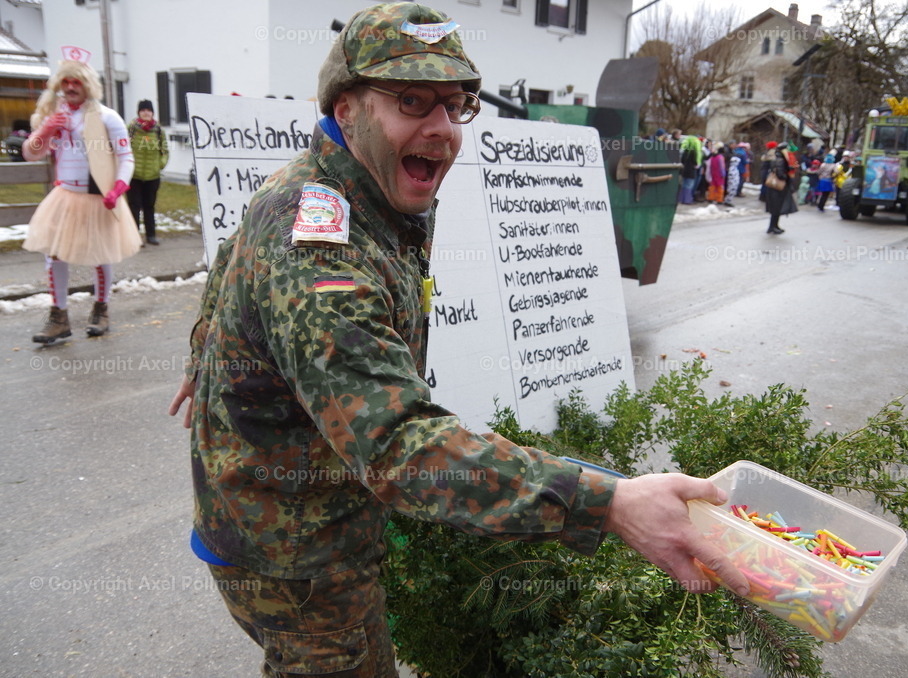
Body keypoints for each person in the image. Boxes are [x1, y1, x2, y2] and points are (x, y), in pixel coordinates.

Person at [167, 4, 748, 675]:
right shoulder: (319, 243)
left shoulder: (335, 183)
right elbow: (396, 444)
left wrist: (207, 347)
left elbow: (232, 261)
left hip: (307, 524)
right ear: (347, 108)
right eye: (412, 101)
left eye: (455, 104)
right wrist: (610, 503)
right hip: (295, 556)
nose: (440, 128)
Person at [21, 46, 138, 343]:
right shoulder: (51, 116)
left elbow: (126, 157)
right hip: (64, 197)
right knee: (55, 256)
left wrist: (118, 187)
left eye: (77, 82)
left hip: (97, 197)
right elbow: (30, 155)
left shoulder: (107, 117)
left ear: (87, 84)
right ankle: (58, 316)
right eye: (66, 82)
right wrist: (45, 132)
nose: (71, 88)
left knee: (101, 255)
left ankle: (101, 309)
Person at [127, 99, 168, 246]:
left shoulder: (158, 130)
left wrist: (160, 165)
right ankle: (134, 237)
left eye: (148, 110)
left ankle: (151, 235)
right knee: (134, 206)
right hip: (134, 175)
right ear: (139, 112)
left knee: (149, 206)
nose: (146, 113)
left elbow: (165, 151)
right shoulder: (131, 128)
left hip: (152, 176)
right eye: (143, 110)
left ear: (152, 113)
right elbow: (122, 148)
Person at [764, 143, 797, 234]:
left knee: (776, 208)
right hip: (778, 188)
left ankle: (774, 226)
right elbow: (780, 174)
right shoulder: (781, 161)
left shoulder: (777, 159)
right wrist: (787, 176)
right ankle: (773, 227)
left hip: (775, 188)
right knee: (776, 208)